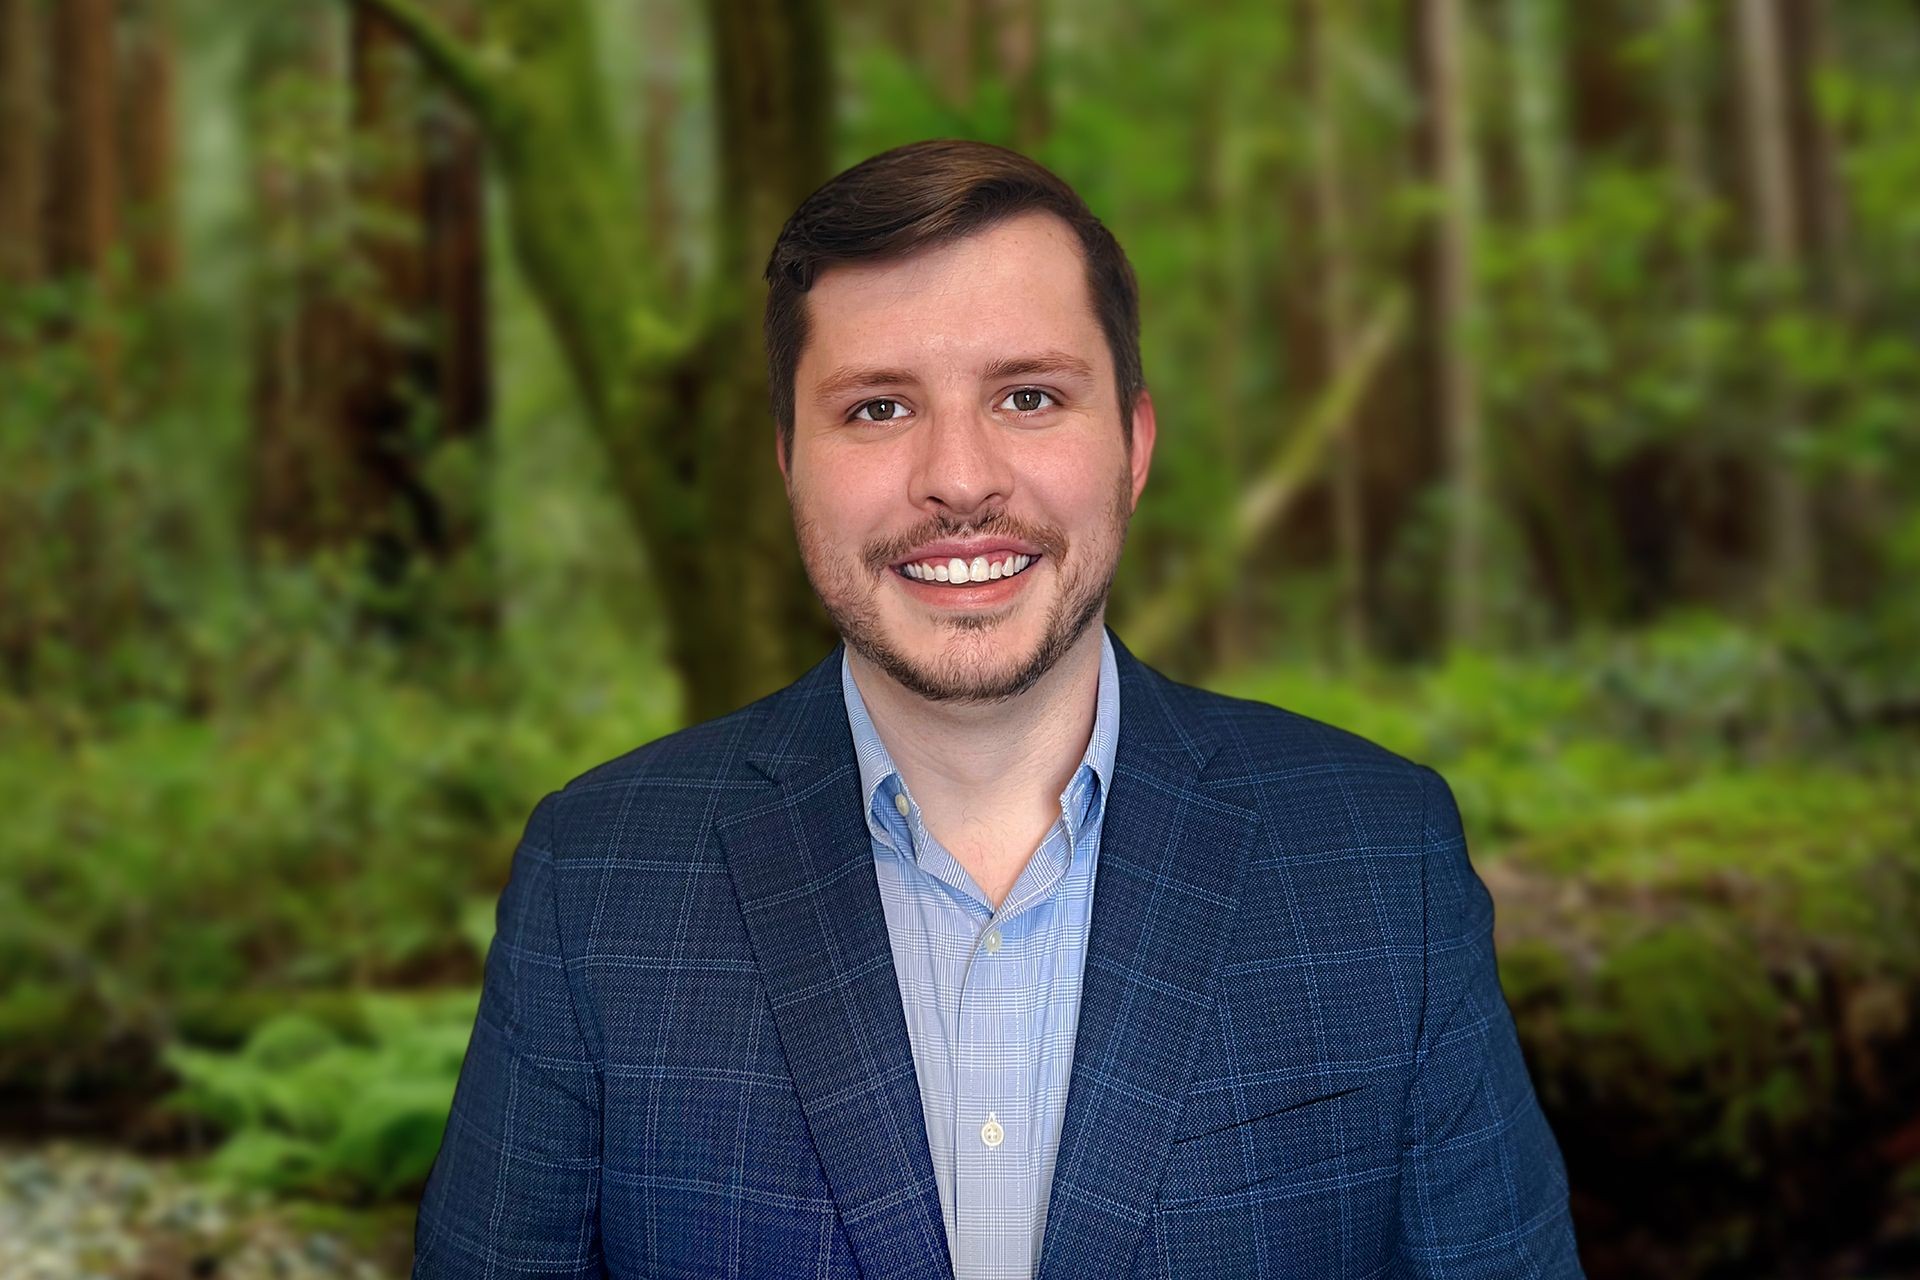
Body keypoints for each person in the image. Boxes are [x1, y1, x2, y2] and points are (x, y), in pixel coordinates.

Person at [411, 139, 1584, 1280]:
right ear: (787, 461)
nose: (960, 477)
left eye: (1027, 395)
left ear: (1132, 444)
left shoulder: (1380, 855)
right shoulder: (601, 875)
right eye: (878, 408)